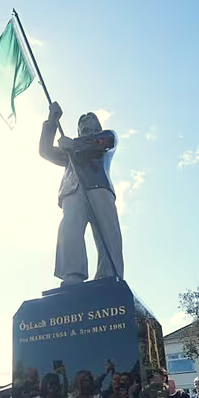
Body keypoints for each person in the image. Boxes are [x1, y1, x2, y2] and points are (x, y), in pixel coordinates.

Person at [39, 101, 123, 286]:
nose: (84, 122)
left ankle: (109, 275)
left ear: (97, 125)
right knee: (68, 229)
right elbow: (45, 151)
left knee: (107, 233)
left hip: (98, 187)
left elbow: (104, 142)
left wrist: (74, 144)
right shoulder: (70, 153)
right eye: (81, 121)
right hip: (72, 190)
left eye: (89, 119)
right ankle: (72, 274)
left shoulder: (106, 137)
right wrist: (52, 122)